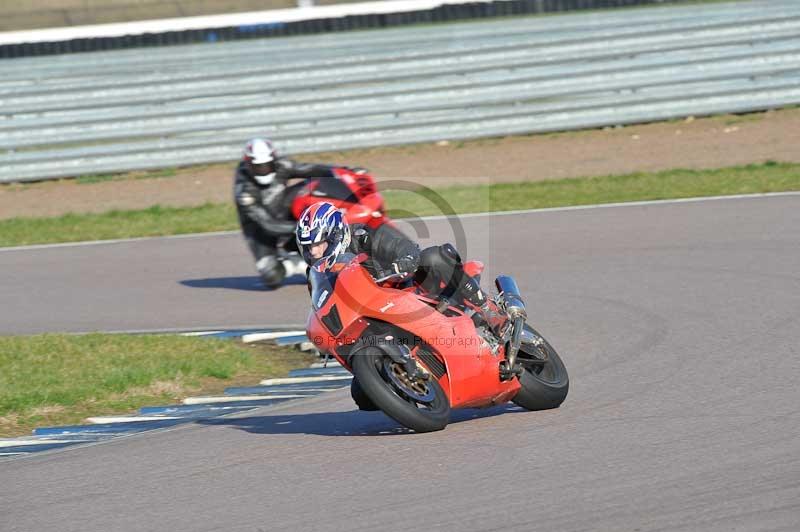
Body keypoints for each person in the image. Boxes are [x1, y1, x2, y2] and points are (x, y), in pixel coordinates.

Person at [295, 201, 497, 320]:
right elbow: (321, 307)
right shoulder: (315, 275)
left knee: (433, 257)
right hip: (374, 313)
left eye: (319, 244)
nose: (314, 252)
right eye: (308, 247)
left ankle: (488, 308)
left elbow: (403, 247)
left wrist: (403, 262)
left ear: (335, 235)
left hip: (408, 289)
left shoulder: (363, 235)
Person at [233, 138, 341, 289]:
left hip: (284, 210)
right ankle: (297, 264)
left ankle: (333, 232)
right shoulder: (244, 191)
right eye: (258, 167)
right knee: (272, 276)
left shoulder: (281, 165)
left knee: (311, 187)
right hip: (259, 231)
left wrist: (341, 171)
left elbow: (309, 169)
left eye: (267, 165)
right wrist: (305, 228)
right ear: (248, 165)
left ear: (273, 160)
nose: (264, 170)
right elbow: (268, 225)